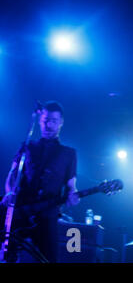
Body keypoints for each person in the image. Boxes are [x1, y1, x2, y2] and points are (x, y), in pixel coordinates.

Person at [2, 101, 80, 262]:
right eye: (45, 120)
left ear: (61, 123)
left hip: (47, 215)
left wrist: (73, 196)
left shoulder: (69, 153)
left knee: (49, 259)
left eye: (53, 121)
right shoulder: (27, 146)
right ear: (39, 120)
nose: (48, 124)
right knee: (7, 254)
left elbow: (71, 186)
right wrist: (9, 191)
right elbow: (12, 173)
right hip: (21, 211)